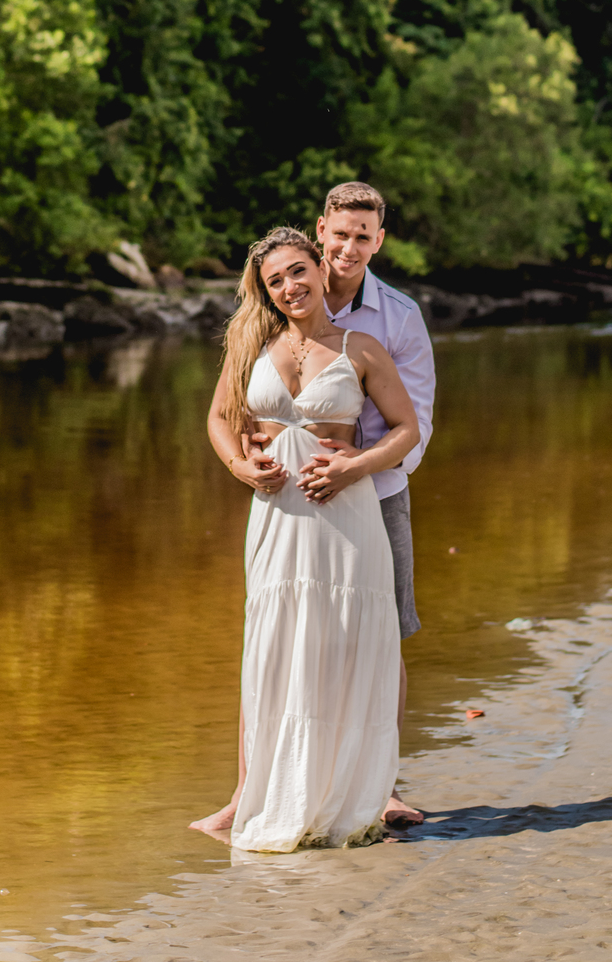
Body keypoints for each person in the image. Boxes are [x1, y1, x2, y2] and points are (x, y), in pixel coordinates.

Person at [192, 227, 420, 851]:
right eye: (275, 281)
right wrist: (239, 467)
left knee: (344, 646)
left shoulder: (361, 347)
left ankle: (351, 796)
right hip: (276, 517)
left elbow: (406, 429)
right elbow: (219, 419)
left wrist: (355, 465)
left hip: (345, 515)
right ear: (264, 292)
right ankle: (269, 793)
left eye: (298, 272)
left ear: (321, 269)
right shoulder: (251, 343)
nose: (290, 287)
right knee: (276, 644)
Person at [305, 180, 436, 826]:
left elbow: (416, 429)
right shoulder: (287, 299)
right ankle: (305, 779)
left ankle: (383, 785)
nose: (350, 247)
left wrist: (354, 468)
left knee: (384, 639)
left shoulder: (401, 318)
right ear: (320, 230)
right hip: (298, 499)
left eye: (364, 236)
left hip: (380, 496)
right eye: (341, 233)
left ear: (379, 241)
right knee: (301, 633)